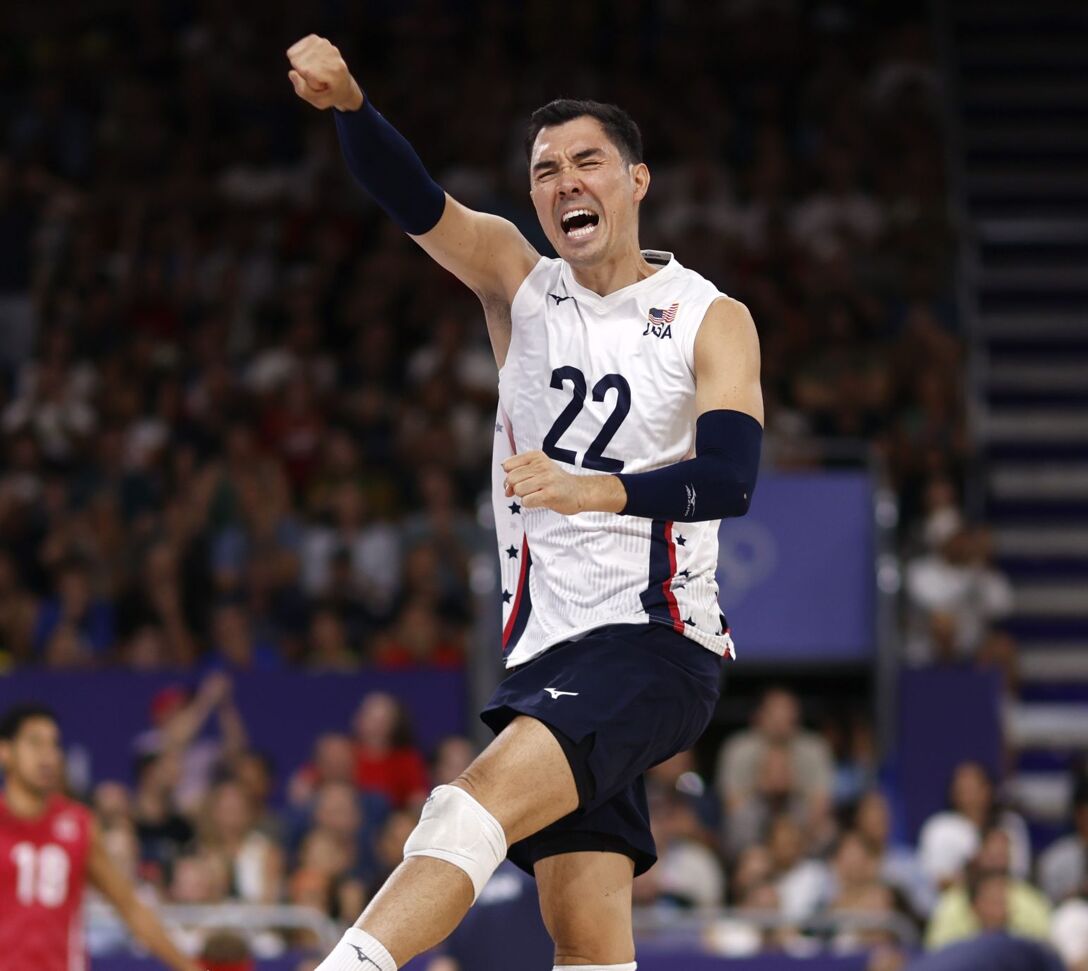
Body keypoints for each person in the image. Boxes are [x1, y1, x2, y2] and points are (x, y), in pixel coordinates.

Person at [287, 29, 763, 971]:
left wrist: (595, 490)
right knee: (586, 939)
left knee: (464, 809)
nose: (565, 181)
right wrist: (351, 107)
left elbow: (730, 478)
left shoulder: (709, 316)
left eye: (588, 161)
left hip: (652, 641)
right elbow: (414, 198)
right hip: (548, 650)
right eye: (546, 170)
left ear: (637, 180)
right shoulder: (519, 279)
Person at [0, 703, 204, 971]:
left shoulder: (78, 825)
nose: (47, 756)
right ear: (5, 751)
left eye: (54, 745)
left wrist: (190, 967)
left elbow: (129, 907)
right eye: (35, 743)